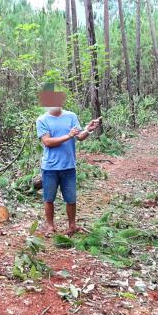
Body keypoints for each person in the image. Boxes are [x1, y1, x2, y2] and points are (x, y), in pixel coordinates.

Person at [36, 85, 101, 236]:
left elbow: (80, 137)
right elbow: (47, 142)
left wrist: (88, 129)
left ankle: (72, 226)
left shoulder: (71, 116)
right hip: (50, 167)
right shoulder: (42, 120)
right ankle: (50, 227)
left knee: (71, 198)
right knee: (49, 198)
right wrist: (68, 135)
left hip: (69, 166)